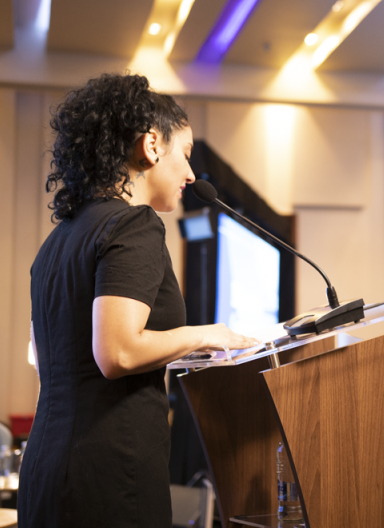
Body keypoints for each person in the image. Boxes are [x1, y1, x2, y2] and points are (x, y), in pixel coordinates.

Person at [18, 74, 259, 528]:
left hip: (45, 467)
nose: (191, 174)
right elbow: (118, 353)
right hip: (110, 474)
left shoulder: (58, 241)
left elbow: (48, 355)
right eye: (185, 153)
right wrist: (206, 335)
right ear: (151, 145)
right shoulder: (135, 224)